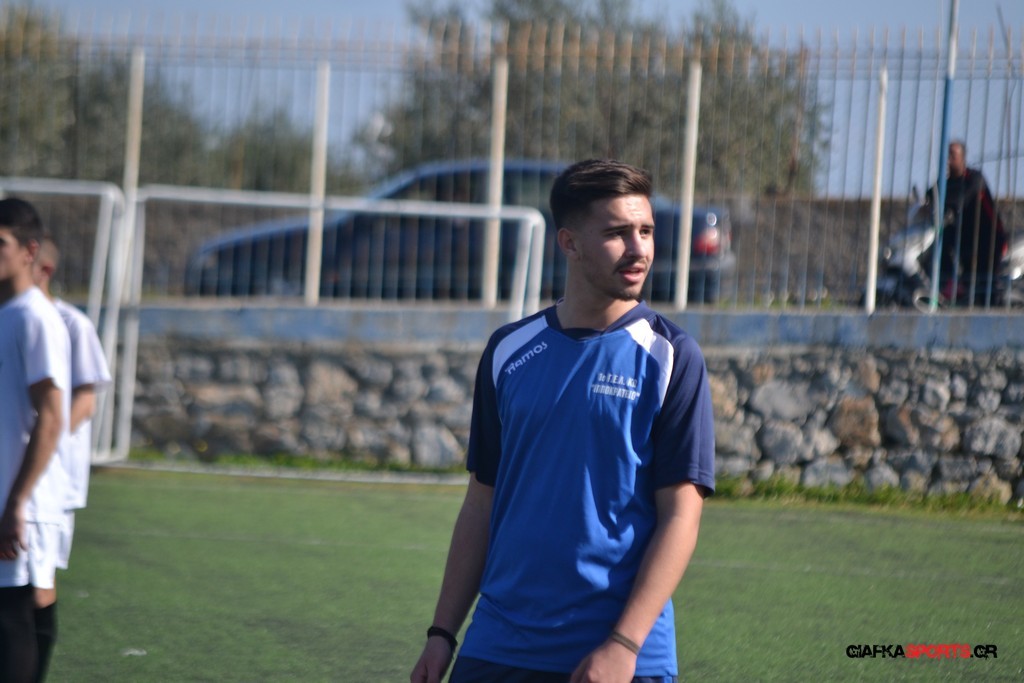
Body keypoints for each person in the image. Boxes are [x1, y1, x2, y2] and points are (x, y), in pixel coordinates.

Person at [410, 159, 716, 683]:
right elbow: (482, 500)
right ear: (569, 243)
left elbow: (681, 516)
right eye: (617, 233)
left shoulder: (671, 356)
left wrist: (623, 644)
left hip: (618, 655)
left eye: (645, 231)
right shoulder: (508, 351)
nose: (639, 249)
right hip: (499, 644)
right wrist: (442, 634)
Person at [31, 235, 111, 678]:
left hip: (50, 480)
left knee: (37, 581)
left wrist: (43, 439)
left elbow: (87, 398)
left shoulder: (70, 323)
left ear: (41, 267)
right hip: (11, 473)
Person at [0, 198, 72, 682]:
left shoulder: (34, 317)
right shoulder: (6, 313)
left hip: (19, 504)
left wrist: (17, 502)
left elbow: (51, 416)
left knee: (11, 619)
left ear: (30, 251)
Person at [932, 140, 1009, 303]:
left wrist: (942, 205)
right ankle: (948, 287)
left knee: (986, 284)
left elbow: (960, 199)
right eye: (947, 155)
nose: (948, 159)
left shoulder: (974, 178)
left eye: (953, 155)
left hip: (990, 238)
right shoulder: (945, 183)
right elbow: (932, 194)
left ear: (963, 158)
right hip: (967, 239)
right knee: (942, 241)